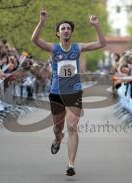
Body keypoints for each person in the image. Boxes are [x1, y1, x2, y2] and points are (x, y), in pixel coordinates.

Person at [31, 8, 106, 176]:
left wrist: (96, 25)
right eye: (63, 28)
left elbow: (102, 44)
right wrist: (41, 22)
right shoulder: (53, 48)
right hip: (56, 92)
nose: (66, 30)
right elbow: (35, 40)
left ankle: (71, 164)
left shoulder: (78, 48)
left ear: (71, 32)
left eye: (68, 28)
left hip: (74, 92)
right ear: (58, 33)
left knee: (72, 126)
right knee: (58, 127)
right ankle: (58, 138)